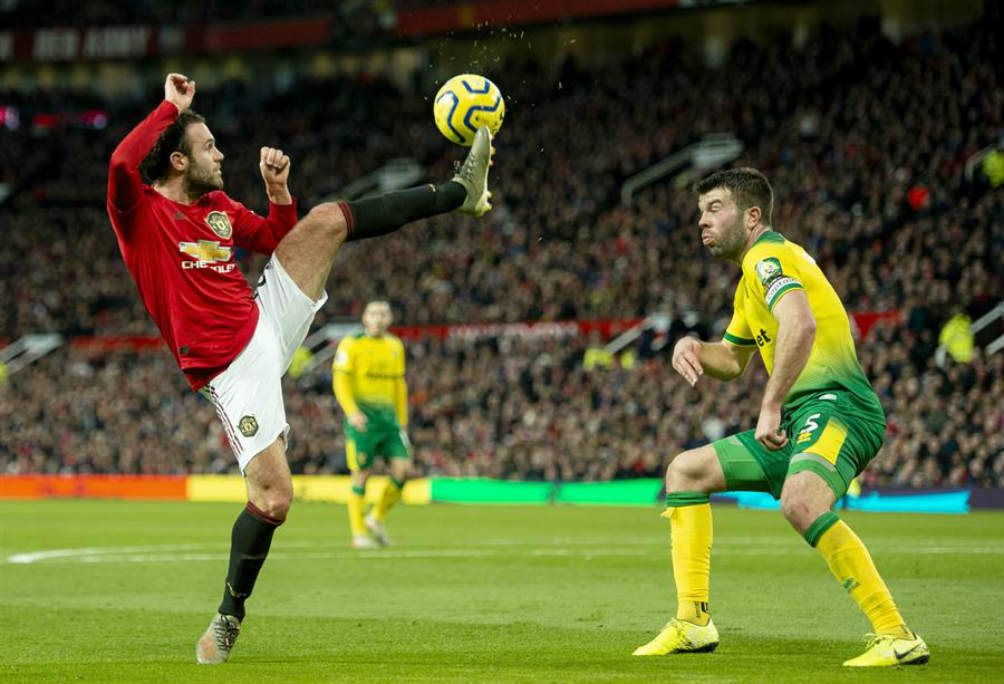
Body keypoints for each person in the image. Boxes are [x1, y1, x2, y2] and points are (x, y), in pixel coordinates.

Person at [107, 73, 494, 665]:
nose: (223, 154)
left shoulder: (216, 208)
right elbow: (119, 162)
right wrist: (168, 107)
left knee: (324, 222)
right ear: (179, 160)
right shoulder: (140, 212)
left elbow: (277, 241)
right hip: (230, 369)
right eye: (211, 147)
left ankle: (459, 192)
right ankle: (229, 614)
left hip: (264, 319)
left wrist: (278, 191)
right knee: (275, 496)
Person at [632, 168, 928, 667]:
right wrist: (692, 347)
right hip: (800, 417)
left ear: (752, 216)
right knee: (686, 471)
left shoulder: (769, 257)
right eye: (700, 212)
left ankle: (897, 635)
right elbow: (731, 359)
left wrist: (770, 405)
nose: (701, 221)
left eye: (714, 209)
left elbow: (801, 322)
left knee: (800, 502)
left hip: (839, 405)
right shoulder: (751, 280)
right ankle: (693, 623)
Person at [332, 300, 411, 548]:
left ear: (390, 319)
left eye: (383, 313)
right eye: (373, 313)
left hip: (389, 422)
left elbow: (399, 385)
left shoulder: (395, 346)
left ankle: (375, 518)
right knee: (361, 475)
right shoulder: (351, 344)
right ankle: (358, 534)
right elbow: (340, 381)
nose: (378, 318)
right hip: (363, 421)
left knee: (403, 470)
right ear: (365, 318)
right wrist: (352, 412)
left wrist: (403, 420)